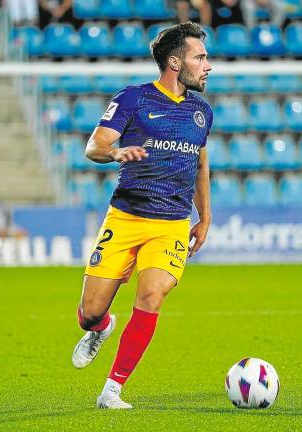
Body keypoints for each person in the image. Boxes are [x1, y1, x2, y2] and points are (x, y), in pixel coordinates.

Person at [71, 22, 213, 409]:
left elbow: (200, 163)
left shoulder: (202, 112)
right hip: (126, 218)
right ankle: (100, 329)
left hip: (171, 225)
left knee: (152, 295)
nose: (208, 65)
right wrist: (117, 153)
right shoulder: (133, 99)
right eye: (199, 57)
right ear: (174, 61)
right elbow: (94, 146)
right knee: (89, 313)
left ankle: (112, 389)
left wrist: (205, 217)